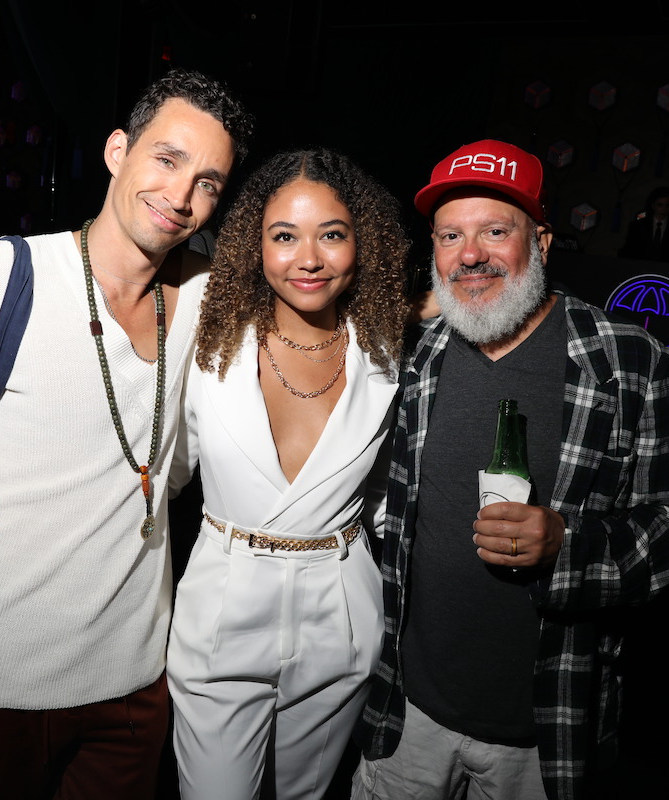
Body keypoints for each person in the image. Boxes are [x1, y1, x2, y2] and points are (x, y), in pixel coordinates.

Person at [0, 68, 252, 799]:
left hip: (133, 682)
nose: (181, 196)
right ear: (115, 151)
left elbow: (318, 292)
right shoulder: (2, 277)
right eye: (166, 159)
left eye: (208, 182)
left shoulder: (206, 294)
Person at [351, 139, 669, 800]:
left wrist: (567, 545)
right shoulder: (410, 359)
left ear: (542, 242)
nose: (470, 254)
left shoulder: (630, 362)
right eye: (450, 235)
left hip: (544, 730)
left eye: (495, 231)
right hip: (407, 716)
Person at [166, 148, 412, 799]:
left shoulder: (385, 349)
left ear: (363, 242)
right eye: (284, 236)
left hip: (342, 610)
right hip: (225, 603)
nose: (308, 258)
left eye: (331, 234)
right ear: (253, 244)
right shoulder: (206, 325)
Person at [617, 185, 669, 264]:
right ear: (653, 205)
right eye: (660, 205)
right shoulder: (637, 226)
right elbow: (629, 251)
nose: (664, 208)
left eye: (667, 205)